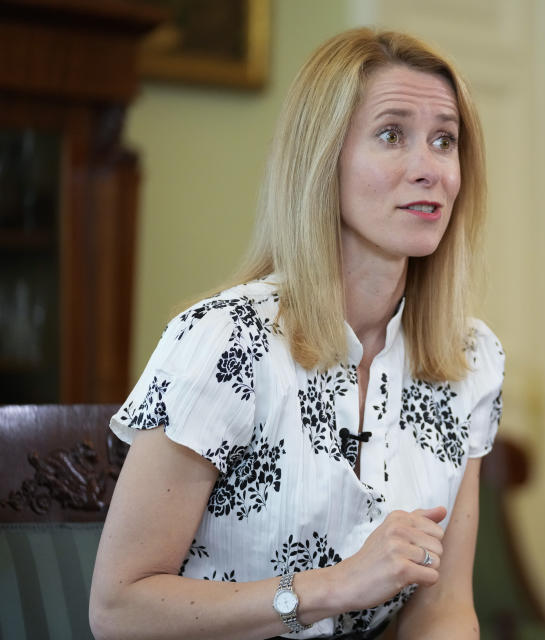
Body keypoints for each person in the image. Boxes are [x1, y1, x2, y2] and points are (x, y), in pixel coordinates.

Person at [89, 27, 503, 640]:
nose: (429, 169)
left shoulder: (469, 358)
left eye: (444, 141)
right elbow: (119, 611)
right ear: (322, 157)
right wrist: (329, 587)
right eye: (392, 135)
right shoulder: (226, 340)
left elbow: (442, 612)